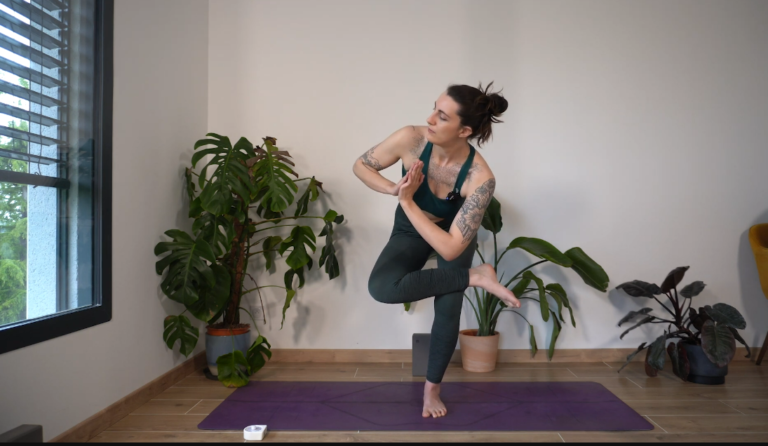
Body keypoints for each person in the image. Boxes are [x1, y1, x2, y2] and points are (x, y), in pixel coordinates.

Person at [352, 82, 521, 419]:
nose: (429, 118)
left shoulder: (479, 177)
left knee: (448, 306)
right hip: (409, 230)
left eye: (441, 117)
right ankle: (476, 276)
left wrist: (406, 202)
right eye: (433, 109)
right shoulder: (411, 139)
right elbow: (361, 165)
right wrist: (394, 188)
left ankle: (432, 390)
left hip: (450, 232)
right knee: (382, 287)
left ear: (464, 130)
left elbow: (448, 245)